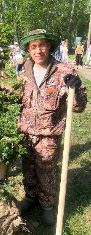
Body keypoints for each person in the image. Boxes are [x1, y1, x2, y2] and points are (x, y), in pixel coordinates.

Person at [17, 29, 87, 227]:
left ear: (48, 46)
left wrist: (77, 89)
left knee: (46, 172)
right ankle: (31, 199)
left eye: (41, 45)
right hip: (25, 132)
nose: (38, 50)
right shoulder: (24, 71)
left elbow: (80, 106)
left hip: (49, 134)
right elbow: (17, 97)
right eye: (33, 47)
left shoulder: (64, 71)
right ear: (29, 50)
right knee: (28, 170)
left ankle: (47, 206)